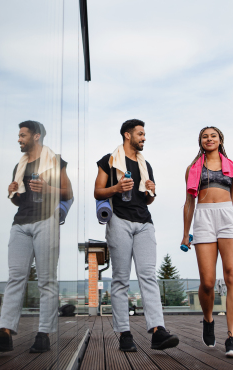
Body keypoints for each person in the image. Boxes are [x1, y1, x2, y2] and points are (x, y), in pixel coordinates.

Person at [0, 120, 72, 354]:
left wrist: (47, 189)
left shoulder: (55, 161)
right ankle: (5, 333)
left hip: (46, 221)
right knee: (15, 279)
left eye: (22, 135)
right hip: (21, 223)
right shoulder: (19, 165)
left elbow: (68, 193)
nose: (19, 139)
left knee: (46, 280)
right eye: (19, 135)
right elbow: (19, 200)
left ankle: (44, 334)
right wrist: (13, 192)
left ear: (36, 136)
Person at [94, 119, 179, 352]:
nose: (144, 137)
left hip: (144, 223)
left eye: (144, 134)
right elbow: (97, 191)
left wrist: (152, 190)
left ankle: (157, 331)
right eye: (140, 134)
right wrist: (116, 189)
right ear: (127, 135)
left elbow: (148, 198)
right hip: (119, 220)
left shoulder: (145, 164)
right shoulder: (109, 160)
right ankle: (124, 333)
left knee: (148, 276)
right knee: (121, 278)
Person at [182, 126, 233, 358]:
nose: (209, 139)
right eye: (205, 136)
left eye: (213, 136)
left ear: (220, 140)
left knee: (232, 276)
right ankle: (208, 320)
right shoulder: (193, 168)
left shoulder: (232, 167)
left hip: (228, 217)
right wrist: (185, 233)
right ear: (200, 141)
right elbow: (189, 203)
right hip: (203, 217)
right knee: (207, 282)